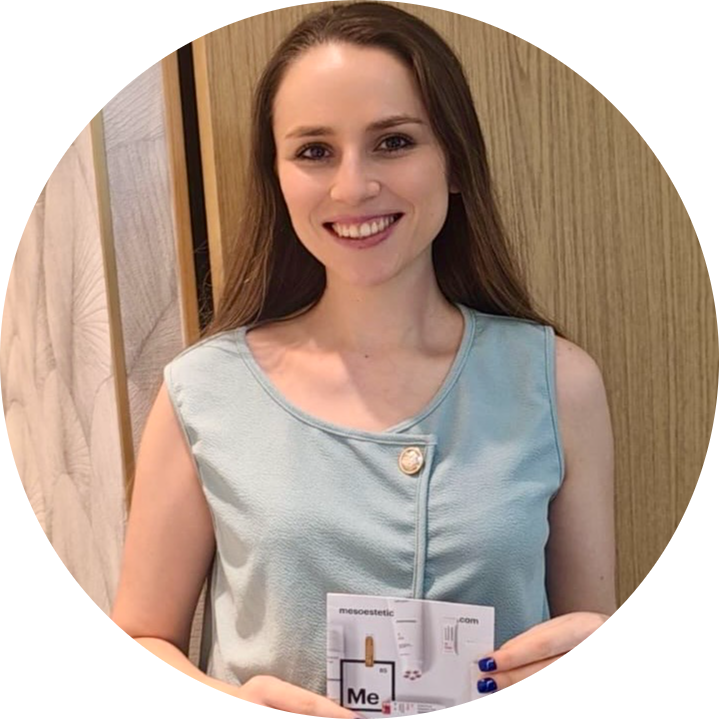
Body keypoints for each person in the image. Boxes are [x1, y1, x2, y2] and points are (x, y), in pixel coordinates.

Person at [111, 3, 616, 713]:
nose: (352, 187)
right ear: (277, 176)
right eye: (314, 152)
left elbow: (583, 622)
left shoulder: (559, 383)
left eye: (394, 141)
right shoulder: (201, 391)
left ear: (455, 162)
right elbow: (143, 634)